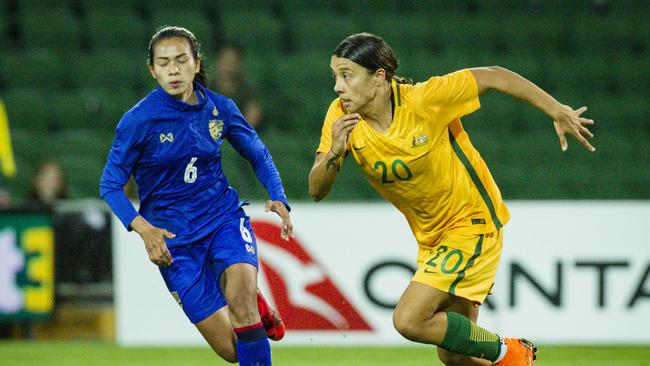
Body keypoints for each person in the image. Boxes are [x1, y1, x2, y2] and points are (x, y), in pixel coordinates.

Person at [309, 33, 595, 366]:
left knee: (409, 319)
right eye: (335, 76)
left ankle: (514, 353)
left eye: (347, 75)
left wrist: (555, 109)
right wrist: (334, 153)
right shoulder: (341, 116)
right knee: (455, 357)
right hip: (432, 240)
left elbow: (495, 75)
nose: (338, 87)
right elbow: (317, 189)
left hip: (472, 223)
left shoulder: (425, 100)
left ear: (379, 78)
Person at [100, 26, 293, 366]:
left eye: (180, 60)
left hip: (223, 219)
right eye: (163, 63)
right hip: (174, 242)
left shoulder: (220, 108)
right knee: (232, 351)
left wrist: (277, 194)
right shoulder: (138, 121)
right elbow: (110, 184)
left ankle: (250, 299)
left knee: (241, 302)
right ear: (152, 69)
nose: (173, 70)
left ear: (196, 63)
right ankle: (255, 305)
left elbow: (258, 154)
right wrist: (144, 229)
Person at [210, 43, 264, 130]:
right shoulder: (206, 87)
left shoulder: (248, 89)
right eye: (225, 62)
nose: (228, 67)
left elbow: (253, 117)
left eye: (233, 62)